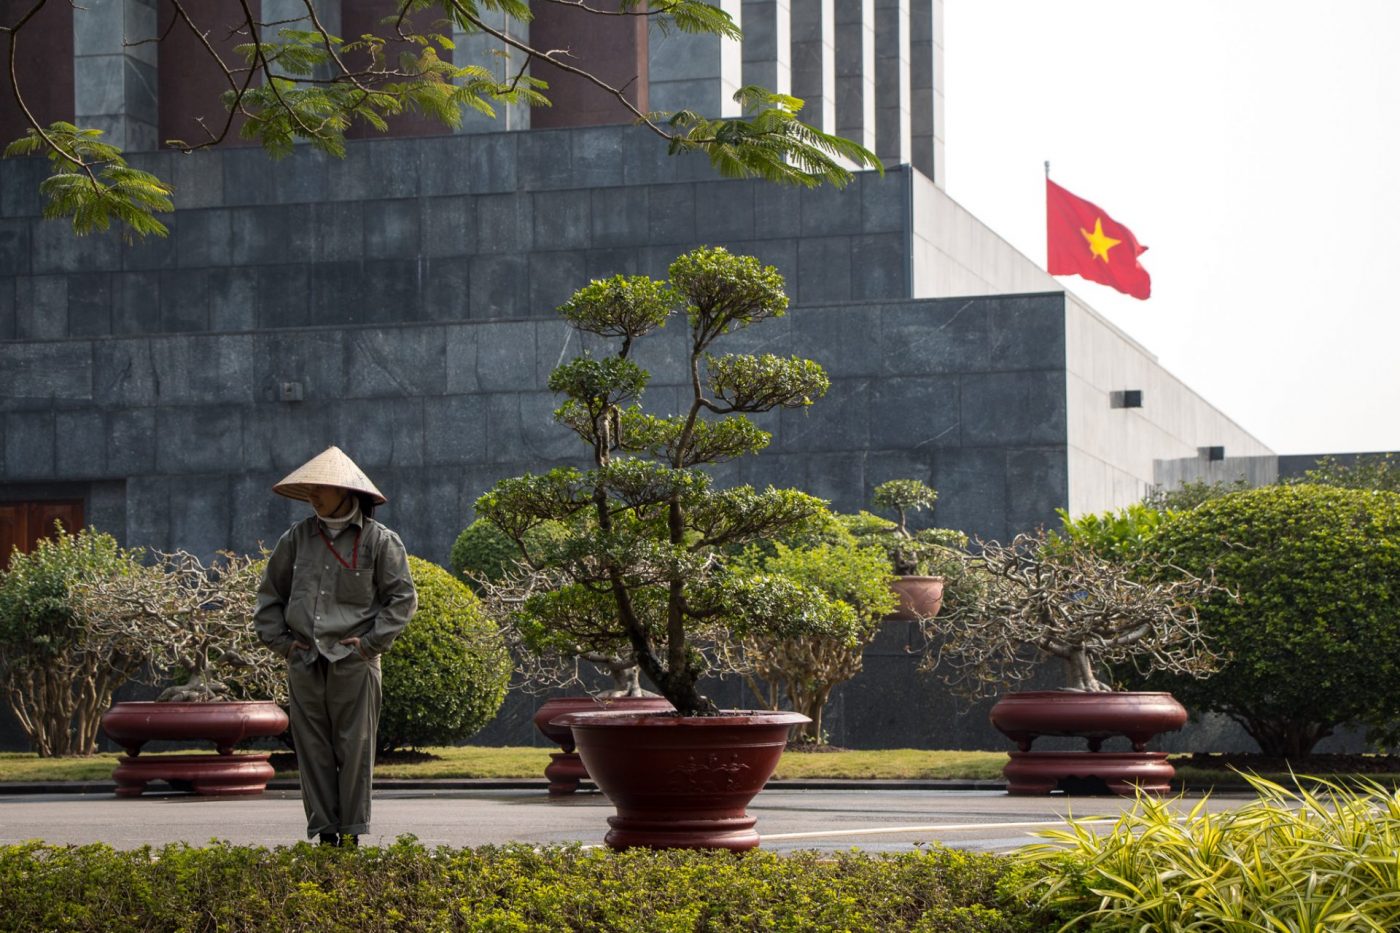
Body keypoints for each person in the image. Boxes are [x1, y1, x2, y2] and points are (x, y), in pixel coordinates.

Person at [254, 446, 417, 847]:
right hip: (305, 661)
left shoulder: (380, 541)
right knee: (312, 751)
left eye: (321, 487)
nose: (313, 494)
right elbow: (269, 597)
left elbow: (403, 600)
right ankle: (325, 835)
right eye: (309, 487)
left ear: (347, 491)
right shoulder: (295, 538)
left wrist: (368, 646)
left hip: (355, 664)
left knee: (356, 749)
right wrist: (284, 646)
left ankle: (353, 835)